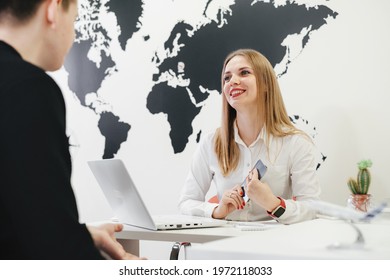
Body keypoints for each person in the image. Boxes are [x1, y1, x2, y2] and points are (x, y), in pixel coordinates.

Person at [0, 0, 145, 259]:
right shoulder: (28, 88)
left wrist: (80, 234)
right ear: (53, 9)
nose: (75, 34)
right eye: (75, 20)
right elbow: (53, 251)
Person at [178, 49, 321, 224]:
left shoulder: (296, 143)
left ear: (266, 84)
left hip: (273, 246)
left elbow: (312, 207)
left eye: (244, 73)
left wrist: (274, 204)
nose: (233, 82)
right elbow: (186, 202)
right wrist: (217, 210)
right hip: (223, 244)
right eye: (227, 78)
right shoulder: (210, 143)